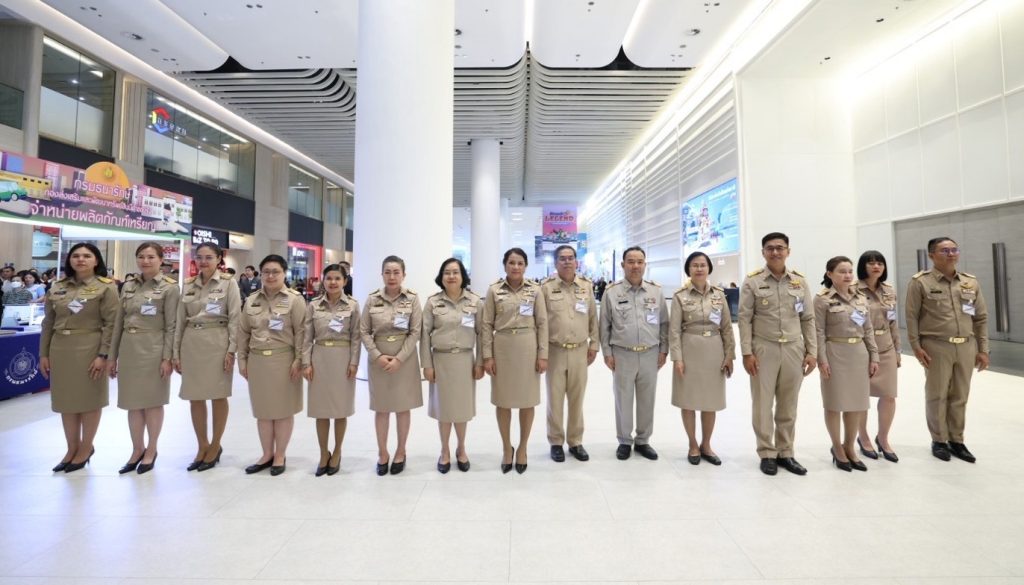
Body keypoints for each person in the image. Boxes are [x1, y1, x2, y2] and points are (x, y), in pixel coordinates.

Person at [738, 232, 816, 476]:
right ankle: (767, 453)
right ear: (763, 252)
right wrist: (747, 352)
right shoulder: (753, 281)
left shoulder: (799, 282)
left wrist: (812, 351)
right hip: (764, 348)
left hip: (794, 348)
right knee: (762, 404)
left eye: (780, 248)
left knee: (788, 404)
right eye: (770, 248)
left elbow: (808, 318)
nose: (775, 252)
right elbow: (744, 319)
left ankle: (786, 452)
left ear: (788, 251)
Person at [905, 236, 989, 463]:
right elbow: (911, 317)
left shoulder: (970, 282)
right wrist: (916, 346)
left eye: (954, 249)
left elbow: (980, 317)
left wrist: (983, 349)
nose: (951, 254)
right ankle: (939, 440)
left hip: (967, 346)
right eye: (944, 250)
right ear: (931, 255)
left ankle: (957, 440)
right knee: (937, 394)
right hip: (936, 345)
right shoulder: (920, 282)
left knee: (960, 395)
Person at [39, 243, 118, 473]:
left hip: (90, 348)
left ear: (96, 260)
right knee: (67, 402)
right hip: (60, 349)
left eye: (86, 256)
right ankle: (71, 448)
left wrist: (103, 355)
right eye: (76, 256)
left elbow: (111, 324)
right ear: (69, 260)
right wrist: (43, 353)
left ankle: (86, 447)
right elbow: (48, 322)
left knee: (89, 400)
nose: (80, 259)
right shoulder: (57, 287)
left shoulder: (106, 287)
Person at [108, 242, 180, 474]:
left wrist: (167, 357)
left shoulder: (170, 288)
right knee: (132, 403)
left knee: (152, 402)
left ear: (161, 260)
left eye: (151, 257)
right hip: (129, 349)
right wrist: (112, 356)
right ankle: (137, 448)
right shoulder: (128, 286)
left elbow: (172, 326)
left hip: (153, 349)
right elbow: (118, 323)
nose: (145, 261)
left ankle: (152, 449)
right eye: (141, 256)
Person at [173, 242, 241, 472]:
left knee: (218, 395)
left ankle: (215, 444)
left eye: (209, 257)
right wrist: (175, 352)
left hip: (217, 343)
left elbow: (235, 318)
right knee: (195, 397)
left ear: (219, 259)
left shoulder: (228, 283)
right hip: (191, 343)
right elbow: (179, 320)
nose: (203, 261)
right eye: (199, 257)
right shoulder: (188, 284)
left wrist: (231, 350)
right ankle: (202, 445)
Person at [238, 255, 306, 476]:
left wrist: (299, 360)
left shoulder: (295, 300)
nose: (270, 276)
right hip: (258, 361)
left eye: (275, 271)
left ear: (284, 273)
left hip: (284, 360)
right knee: (263, 411)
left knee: (283, 410)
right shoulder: (251, 300)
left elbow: (302, 332)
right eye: (266, 271)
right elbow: (243, 332)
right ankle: (266, 454)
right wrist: (242, 360)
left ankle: (280, 455)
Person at [599, 246, 668, 461]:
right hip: (622, 354)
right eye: (630, 261)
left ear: (645, 265)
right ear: (623, 265)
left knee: (647, 399)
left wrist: (663, 350)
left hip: (650, 353)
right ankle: (624, 441)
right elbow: (604, 326)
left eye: (639, 262)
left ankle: (643, 440)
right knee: (623, 399)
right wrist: (607, 352)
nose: (635, 266)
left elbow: (664, 323)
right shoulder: (612, 292)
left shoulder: (656, 291)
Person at [482, 247, 548, 473]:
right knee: (503, 401)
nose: (516, 267)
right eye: (511, 262)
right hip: (502, 348)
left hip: (528, 347)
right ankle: (506, 448)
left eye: (520, 263)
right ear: (505, 265)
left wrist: (543, 354)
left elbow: (543, 323)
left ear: (525, 266)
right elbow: (486, 325)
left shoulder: (535, 290)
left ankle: (522, 448)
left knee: (527, 401)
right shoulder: (494, 290)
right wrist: (488, 356)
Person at [668, 251, 735, 466]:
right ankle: (692, 444)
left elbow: (727, 327)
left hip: (714, 350)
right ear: (688, 269)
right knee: (688, 400)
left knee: (710, 401)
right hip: (689, 350)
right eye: (695, 265)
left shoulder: (719, 295)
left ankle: (706, 444)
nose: (699, 269)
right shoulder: (680, 296)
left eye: (703, 265)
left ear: (709, 269)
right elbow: (674, 330)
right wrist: (677, 358)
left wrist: (729, 355)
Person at [814, 256, 879, 472]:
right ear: (829, 274)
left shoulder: (860, 298)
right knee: (834, 403)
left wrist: (874, 356)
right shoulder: (822, 299)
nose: (848, 275)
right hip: (834, 353)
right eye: (842, 271)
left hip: (859, 354)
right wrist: (821, 359)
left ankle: (849, 446)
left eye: (850, 271)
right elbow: (818, 332)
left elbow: (868, 329)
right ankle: (837, 447)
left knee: (857, 404)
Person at [360, 255, 423, 476]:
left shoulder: (412, 299)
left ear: (403, 275)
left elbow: (416, 331)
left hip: (404, 360)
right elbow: (363, 331)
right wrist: (377, 356)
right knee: (382, 408)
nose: (392, 276)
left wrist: (399, 359)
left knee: (403, 407)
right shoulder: (372, 299)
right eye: (387, 272)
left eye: (396, 272)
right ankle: (382, 453)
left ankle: (401, 451)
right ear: (382, 274)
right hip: (378, 361)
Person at [421, 258, 484, 473]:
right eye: (447, 272)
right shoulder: (433, 302)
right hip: (441, 361)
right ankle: (444, 450)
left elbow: (482, 334)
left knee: (462, 409)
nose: (451, 276)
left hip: (465, 361)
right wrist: (427, 365)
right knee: (444, 409)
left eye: (455, 272)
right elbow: (424, 335)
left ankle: (461, 448)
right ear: (441, 277)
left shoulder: (475, 302)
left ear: (462, 275)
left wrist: (480, 362)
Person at [540, 245, 598, 463]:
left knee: (577, 398)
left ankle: (575, 441)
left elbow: (593, 317)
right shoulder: (546, 288)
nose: (567, 262)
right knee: (554, 399)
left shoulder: (586, 286)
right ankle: (556, 441)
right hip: (555, 350)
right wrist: (542, 352)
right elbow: (541, 322)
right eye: (562, 258)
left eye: (570, 258)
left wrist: (594, 345)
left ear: (576, 262)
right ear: (555, 263)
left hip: (580, 351)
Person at [302, 263, 361, 476]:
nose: (333, 282)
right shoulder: (313, 306)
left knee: (340, 409)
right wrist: (306, 363)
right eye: (329, 278)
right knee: (321, 410)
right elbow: (306, 337)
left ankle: (337, 451)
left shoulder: (352, 305)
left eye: (337, 278)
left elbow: (356, 336)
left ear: (345, 281)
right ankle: (323, 453)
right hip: (319, 359)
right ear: (323, 280)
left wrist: (354, 362)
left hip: (342, 359)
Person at [855, 250, 901, 462]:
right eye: (871, 263)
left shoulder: (889, 291)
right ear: (863, 266)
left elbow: (893, 322)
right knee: (860, 396)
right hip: (862, 347)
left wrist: (897, 350)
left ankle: (883, 438)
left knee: (889, 395)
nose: (876, 267)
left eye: (880, 263)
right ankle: (863, 437)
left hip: (886, 346)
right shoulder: (853, 289)